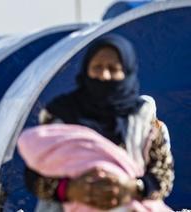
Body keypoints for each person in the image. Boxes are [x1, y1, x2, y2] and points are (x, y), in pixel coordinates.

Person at [19, 34, 174, 211]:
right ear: (86, 69)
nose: (104, 75)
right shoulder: (62, 115)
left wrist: (131, 187)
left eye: (113, 68)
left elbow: (163, 177)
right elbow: (34, 175)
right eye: (97, 67)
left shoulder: (144, 122)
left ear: (127, 72)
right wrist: (71, 190)